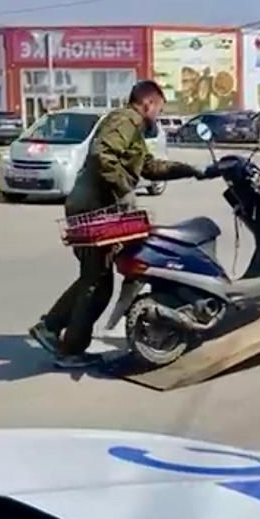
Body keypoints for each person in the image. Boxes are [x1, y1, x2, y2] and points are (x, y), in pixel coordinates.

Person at [31, 80, 209, 366]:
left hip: (95, 206)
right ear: (148, 103)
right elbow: (103, 156)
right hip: (94, 208)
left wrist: (189, 170)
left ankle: (50, 328)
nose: (158, 118)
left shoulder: (133, 129)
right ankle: (69, 348)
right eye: (159, 110)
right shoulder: (125, 119)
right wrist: (124, 191)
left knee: (94, 278)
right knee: (98, 284)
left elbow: (149, 166)